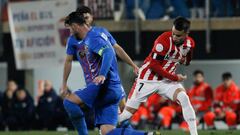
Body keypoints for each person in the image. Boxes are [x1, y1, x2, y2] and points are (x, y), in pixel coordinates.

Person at [62, 12, 159, 135]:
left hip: (103, 86)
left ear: (75, 26)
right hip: (112, 87)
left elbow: (108, 52)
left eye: (69, 27)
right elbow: (114, 49)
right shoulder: (85, 38)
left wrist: (102, 74)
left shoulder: (93, 38)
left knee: (69, 102)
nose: (69, 31)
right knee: (108, 132)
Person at [119, 16, 198, 135]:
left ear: (187, 33)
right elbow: (154, 66)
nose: (175, 37)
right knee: (127, 114)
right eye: (173, 34)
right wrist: (175, 78)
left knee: (184, 98)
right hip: (147, 79)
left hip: (167, 82)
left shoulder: (190, 44)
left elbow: (187, 61)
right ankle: (103, 128)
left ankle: (194, 133)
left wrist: (184, 60)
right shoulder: (163, 40)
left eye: (178, 35)